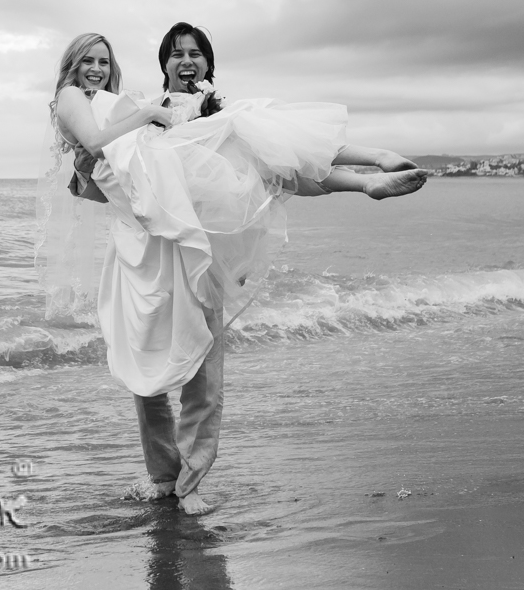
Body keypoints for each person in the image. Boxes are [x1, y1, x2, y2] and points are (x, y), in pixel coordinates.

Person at [38, 25, 426, 514]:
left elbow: (280, 175)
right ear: (163, 65)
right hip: (148, 250)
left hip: (203, 249)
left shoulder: (212, 112)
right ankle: (164, 477)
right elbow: (109, 185)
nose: (186, 60)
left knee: (205, 373)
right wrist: (85, 166)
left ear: (207, 64)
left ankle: (191, 482)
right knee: (146, 372)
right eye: (177, 54)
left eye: (195, 53)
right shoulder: (135, 115)